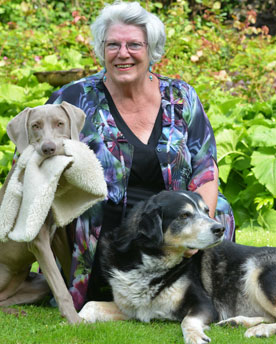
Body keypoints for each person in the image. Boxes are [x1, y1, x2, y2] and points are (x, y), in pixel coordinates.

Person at [46, 0, 235, 311]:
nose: (123, 53)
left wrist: (199, 226)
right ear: (101, 49)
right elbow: (36, 158)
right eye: (113, 45)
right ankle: (95, 288)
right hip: (103, 227)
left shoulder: (181, 97)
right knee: (84, 217)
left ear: (152, 50)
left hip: (170, 225)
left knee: (221, 209)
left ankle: (199, 290)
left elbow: (205, 169)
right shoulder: (74, 99)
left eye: (134, 44)